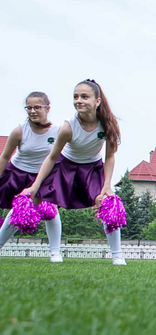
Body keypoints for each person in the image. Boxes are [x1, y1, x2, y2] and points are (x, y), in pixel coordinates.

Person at [23, 80, 126, 265]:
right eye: (75, 96)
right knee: (27, 202)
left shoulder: (107, 124)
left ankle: (117, 255)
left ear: (97, 102)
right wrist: (35, 185)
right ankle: (51, 252)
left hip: (92, 168)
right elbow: (52, 157)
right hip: (65, 167)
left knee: (110, 203)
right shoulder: (68, 126)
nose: (79, 100)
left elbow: (109, 156)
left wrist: (107, 186)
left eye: (84, 97)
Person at [0, 92, 63, 262]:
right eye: (29, 107)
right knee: (18, 210)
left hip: (44, 176)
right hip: (18, 173)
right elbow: (4, 157)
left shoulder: (58, 130)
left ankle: (55, 253)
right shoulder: (19, 131)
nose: (32, 111)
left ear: (47, 108)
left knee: (51, 210)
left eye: (37, 107)